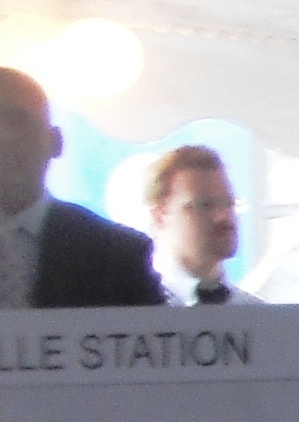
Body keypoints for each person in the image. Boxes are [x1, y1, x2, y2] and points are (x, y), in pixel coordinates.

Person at [0, 68, 170, 309]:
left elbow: (155, 340)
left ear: (56, 141)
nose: (3, 136)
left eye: (18, 120)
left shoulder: (116, 255)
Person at [146, 145, 255, 304]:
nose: (222, 216)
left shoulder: (257, 317)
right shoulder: (136, 313)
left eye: (229, 204)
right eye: (204, 205)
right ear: (161, 216)